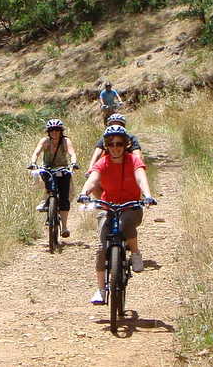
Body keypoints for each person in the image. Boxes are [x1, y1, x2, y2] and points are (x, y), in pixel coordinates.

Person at [77, 125, 156, 305]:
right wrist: (84, 193)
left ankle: (135, 253)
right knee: (101, 248)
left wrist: (147, 195)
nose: (115, 147)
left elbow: (140, 177)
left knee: (126, 223)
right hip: (108, 207)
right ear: (106, 145)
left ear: (125, 144)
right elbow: (93, 179)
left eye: (119, 143)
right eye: (111, 144)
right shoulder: (103, 162)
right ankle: (101, 290)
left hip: (131, 206)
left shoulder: (133, 160)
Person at [28, 118, 79, 238]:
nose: (54, 132)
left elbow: (72, 153)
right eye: (52, 130)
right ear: (48, 132)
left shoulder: (65, 141)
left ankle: (64, 227)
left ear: (61, 131)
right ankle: (46, 203)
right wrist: (33, 162)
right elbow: (36, 152)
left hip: (62, 169)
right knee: (45, 185)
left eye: (57, 130)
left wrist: (73, 163)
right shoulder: (45, 141)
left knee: (65, 197)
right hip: (48, 169)